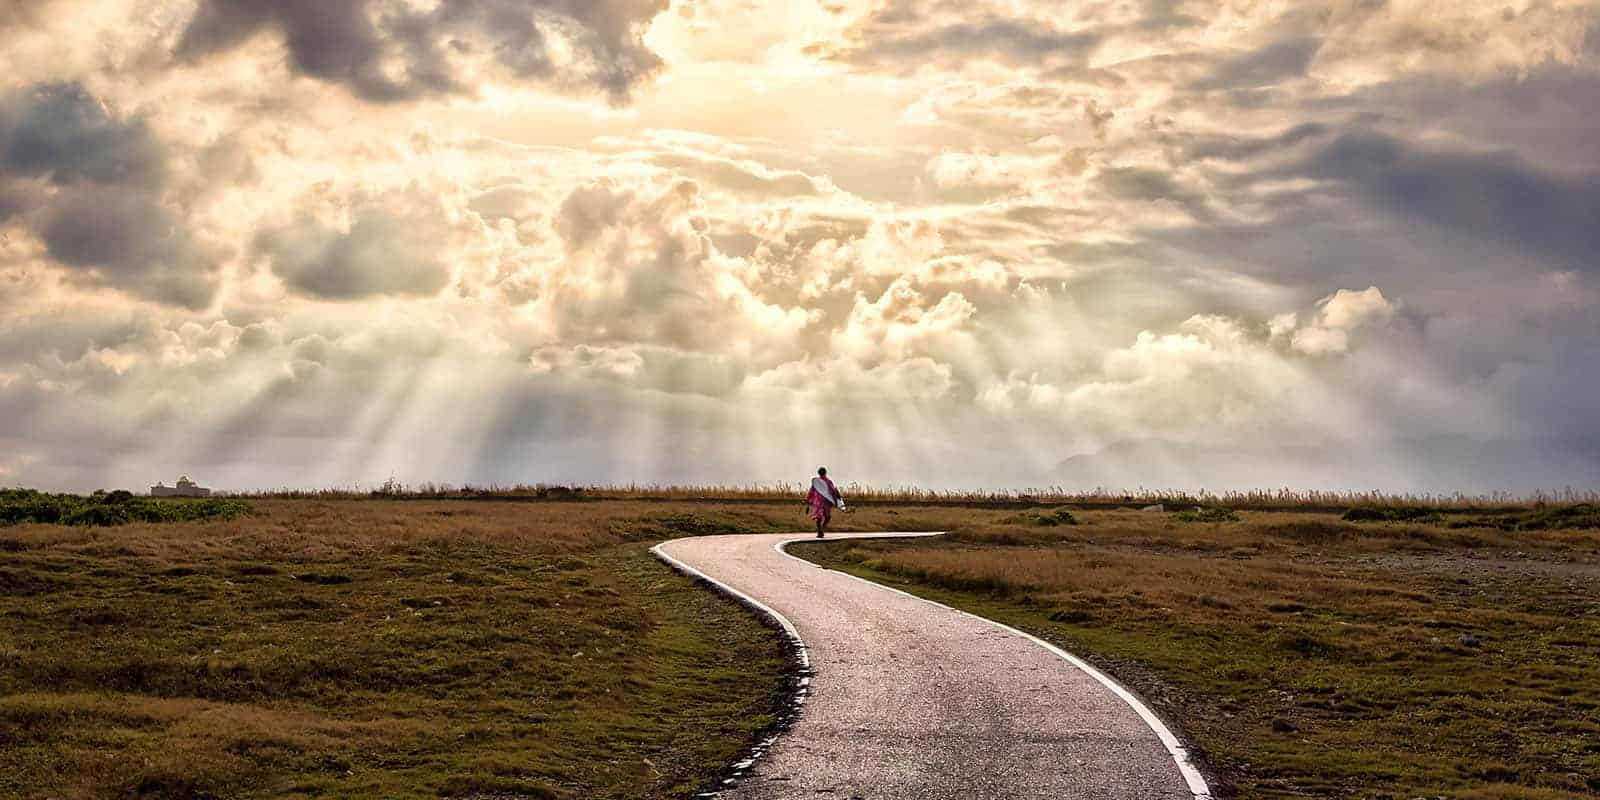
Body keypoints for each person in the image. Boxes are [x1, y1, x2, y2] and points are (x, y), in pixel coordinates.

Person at [805, 466, 845, 538]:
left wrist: (807, 499)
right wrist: (836, 502)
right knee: (827, 517)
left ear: (819, 473)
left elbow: (811, 491)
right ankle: (822, 529)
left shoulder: (816, 482)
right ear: (825, 473)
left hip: (818, 502)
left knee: (818, 517)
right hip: (826, 502)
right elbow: (833, 492)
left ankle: (820, 531)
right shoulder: (828, 482)